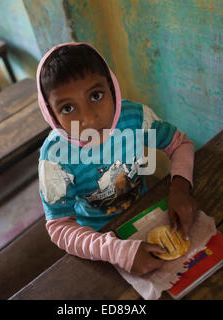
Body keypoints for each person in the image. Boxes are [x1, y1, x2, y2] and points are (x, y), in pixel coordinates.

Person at [36, 42, 199, 276]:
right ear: (51, 113)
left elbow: (179, 144)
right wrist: (117, 251)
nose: (89, 119)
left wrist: (181, 189)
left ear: (112, 88)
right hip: (97, 240)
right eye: (68, 107)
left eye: (96, 95)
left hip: (145, 213)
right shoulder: (55, 158)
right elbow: (60, 227)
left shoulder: (134, 118)